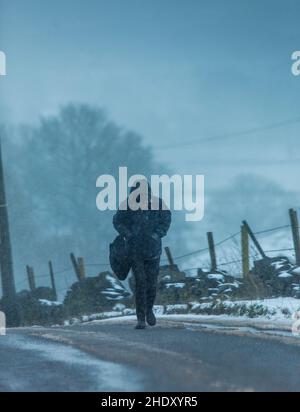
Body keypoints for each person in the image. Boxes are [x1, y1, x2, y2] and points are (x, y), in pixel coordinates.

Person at [113, 180, 171, 329]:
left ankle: (149, 309)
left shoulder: (158, 204)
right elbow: (117, 221)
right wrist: (128, 234)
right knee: (140, 282)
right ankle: (140, 318)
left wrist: (157, 234)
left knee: (151, 282)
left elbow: (166, 220)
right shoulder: (127, 205)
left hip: (153, 251)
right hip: (135, 251)